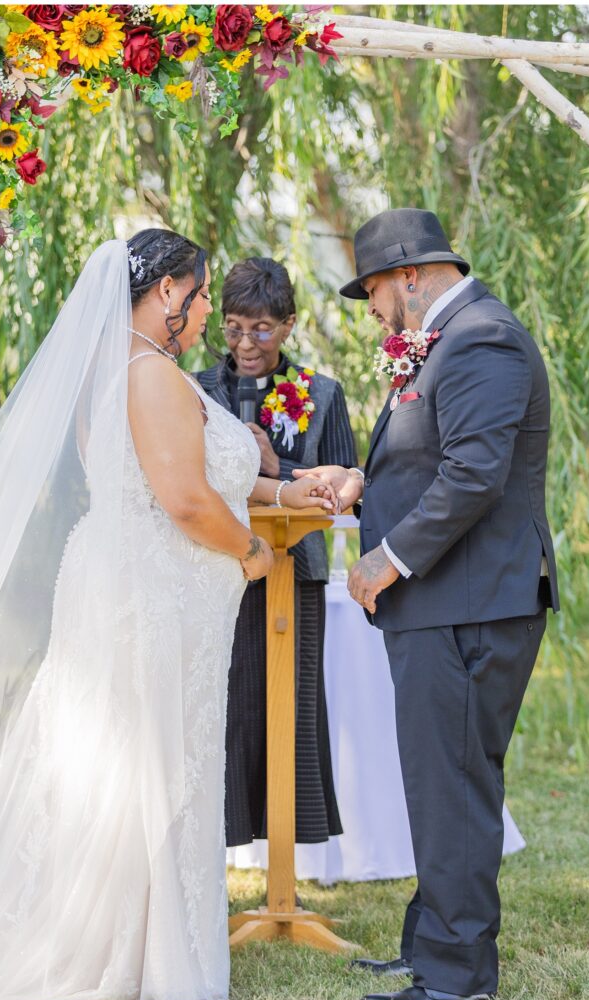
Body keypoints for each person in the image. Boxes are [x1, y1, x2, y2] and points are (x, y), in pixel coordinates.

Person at [0, 230, 337, 1000]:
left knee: (140, 771)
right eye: (200, 300)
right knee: (154, 768)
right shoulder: (152, 376)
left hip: (136, 594)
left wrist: (284, 496)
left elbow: (191, 478)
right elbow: (187, 500)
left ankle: (127, 938)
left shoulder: (122, 372)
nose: (204, 319)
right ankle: (141, 951)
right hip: (152, 605)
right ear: (168, 293)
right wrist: (251, 556)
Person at [297, 208, 559, 1000]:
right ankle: (432, 945)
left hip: (470, 604)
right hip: (448, 603)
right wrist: (363, 484)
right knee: (439, 779)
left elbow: (475, 475)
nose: (372, 308)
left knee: (455, 782)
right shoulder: (452, 340)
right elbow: (430, 457)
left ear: (409, 275)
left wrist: (389, 557)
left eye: (372, 290)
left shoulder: (483, 337)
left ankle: (455, 976)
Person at [196, 257, 357, 850]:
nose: (244, 344)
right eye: (233, 327)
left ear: (289, 324)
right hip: (219, 570)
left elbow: (345, 496)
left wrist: (276, 469)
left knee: (291, 710)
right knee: (226, 706)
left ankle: (289, 860)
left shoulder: (323, 394)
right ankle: (226, 839)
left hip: (298, 574)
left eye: (261, 329)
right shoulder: (196, 389)